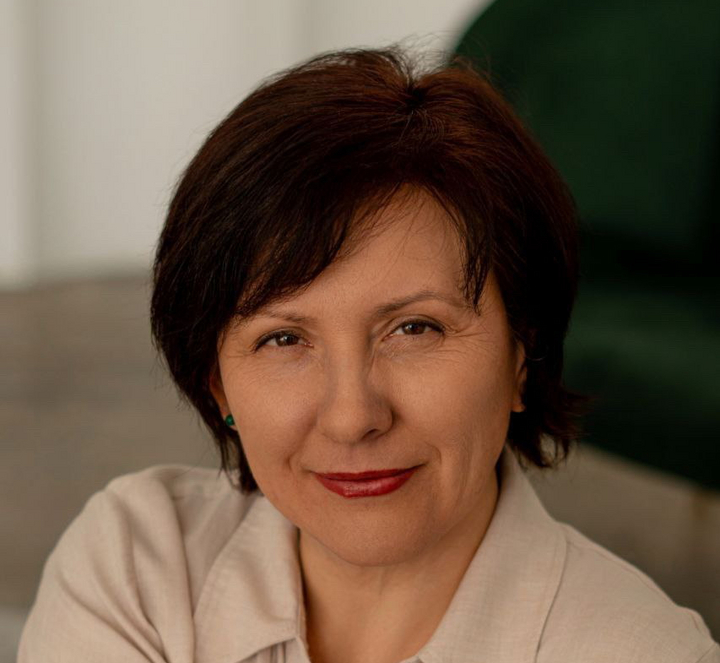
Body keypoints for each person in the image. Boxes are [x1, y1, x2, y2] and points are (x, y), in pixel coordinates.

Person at [17, 46, 719, 663]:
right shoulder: (140, 567)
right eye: (284, 339)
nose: (353, 417)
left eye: (415, 329)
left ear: (521, 355)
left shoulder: (643, 651)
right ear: (218, 385)